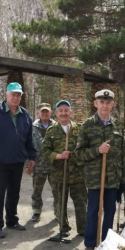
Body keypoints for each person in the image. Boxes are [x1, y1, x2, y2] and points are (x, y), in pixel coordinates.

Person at [0, 82, 37, 238]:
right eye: (13, 94)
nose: (15, 97)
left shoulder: (25, 115)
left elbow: (29, 140)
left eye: (18, 95)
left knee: (14, 193)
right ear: (6, 95)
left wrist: (32, 156)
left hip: (17, 161)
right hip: (0, 162)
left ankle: (12, 220)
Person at [76, 89, 125, 250]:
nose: (105, 105)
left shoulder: (118, 126)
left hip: (112, 178)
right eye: (101, 102)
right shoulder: (87, 125)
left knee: (110, 211)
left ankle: (106, 243)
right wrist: (97, 150)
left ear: (112, 104)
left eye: (108, 102)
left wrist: (123, 179)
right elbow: (79, 154)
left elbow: (123, 154)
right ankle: (90, 244)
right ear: (95, 103)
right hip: (95, 178)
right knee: (93, 212)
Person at [42, 100, 87, 237]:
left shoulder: (79, 129)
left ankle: (83, 228)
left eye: (66, 110)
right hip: (59, 173)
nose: (63, 113)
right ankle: (63, 227)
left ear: (71, 112)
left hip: (77, 172)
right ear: (56, 114)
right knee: (60, 201)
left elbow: (85, 148)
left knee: (81, 202)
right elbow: (45, 151)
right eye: (60, 111)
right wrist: (59, 156)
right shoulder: (51, 131)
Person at [30, 102, 55, 223]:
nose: (45, 113)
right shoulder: (33, 126)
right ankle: (36, 210)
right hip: (38, 163)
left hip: (54, 164)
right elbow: (33, 145)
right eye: (42, 111)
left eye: (47, 111)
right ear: (38, 113)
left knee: (57, 190)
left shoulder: (56, 126)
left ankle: (58, 211)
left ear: (51, 113)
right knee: (36, 190)